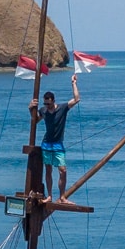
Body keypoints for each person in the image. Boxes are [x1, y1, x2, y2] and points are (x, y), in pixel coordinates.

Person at [29, 74, 80, 203]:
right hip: (46, 144)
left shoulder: (62, 108)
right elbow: (35, 122)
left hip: (58, 144)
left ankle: (62, 196)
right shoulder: (43, 110)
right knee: (48, 170)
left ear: (53, 101)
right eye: (45, 103)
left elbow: (76, 99)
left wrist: (73, 83)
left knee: (63, 170)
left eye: (49, 103)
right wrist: (31, 110)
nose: (47, 105)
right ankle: (50, 196)